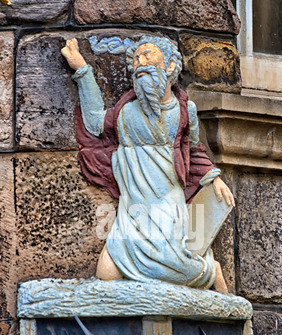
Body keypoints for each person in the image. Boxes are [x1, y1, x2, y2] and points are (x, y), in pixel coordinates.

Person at [61, 36, 234, 292]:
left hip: (167, 203)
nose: (140, 63)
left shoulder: (185, 111)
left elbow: (195, 150)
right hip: (132, 208)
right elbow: (96, 121)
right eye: (136, 58)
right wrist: (82, 70)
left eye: (148, 56)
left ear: (170, 67)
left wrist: (213, 177)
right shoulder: (126, 112)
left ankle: (211, 273)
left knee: (171, 263)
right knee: (107, 273)